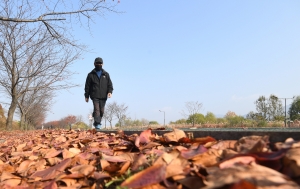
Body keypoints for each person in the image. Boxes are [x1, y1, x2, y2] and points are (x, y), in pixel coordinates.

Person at [84, 57, 113, 129]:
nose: (99, 64)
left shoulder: (106, 74)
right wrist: (86, 96)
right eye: (97, 63)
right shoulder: (90, 75)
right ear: (94, 64)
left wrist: (109, 92)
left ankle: (96, 121)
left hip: (103, 96)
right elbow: (87, 86)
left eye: (100, 63)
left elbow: (110, 84)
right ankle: (98, 125)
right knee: (97, 110)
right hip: (94, 95)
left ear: (102, 64)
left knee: (101, 111)